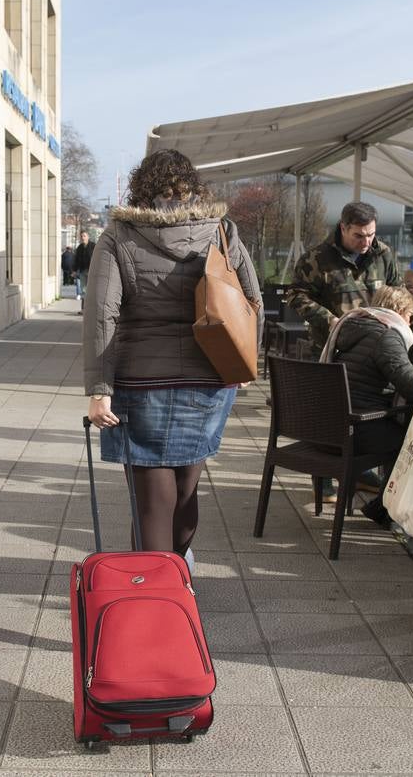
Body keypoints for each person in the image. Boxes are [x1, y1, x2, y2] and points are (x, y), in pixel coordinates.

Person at [83, 149, 261, 569]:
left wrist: (99, 391)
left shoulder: (119, 237)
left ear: (141, 191)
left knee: (151, 501)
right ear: (192, 189)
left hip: (141, 382)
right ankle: (178, 574)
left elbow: (101, 316)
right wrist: (245, 361)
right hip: (208, 378)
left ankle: (153, 592)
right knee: (185, 490)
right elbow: (251, 300)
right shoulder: (221, 231)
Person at [321, 285, 413, 514]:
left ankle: (382, 499)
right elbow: (412, 387)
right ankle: (385, 508)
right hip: (355, 430)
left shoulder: (351, 326)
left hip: (327, 427)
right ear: (400, 310)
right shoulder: (386, 334)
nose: (411, 321)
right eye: (411, 315)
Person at [289, 201, 413, 346]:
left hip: (378, 346)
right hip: (333, 348)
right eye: (358, 236)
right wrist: (331, 321)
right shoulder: (316, 259)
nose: (366, 242)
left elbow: (403, 298)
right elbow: (296, 296)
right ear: (343, 228)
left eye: (371, 235)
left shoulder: (382, 254)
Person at [72, 230, 94, 308]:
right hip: (82, 271)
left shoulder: (93, 246)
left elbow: (97, 259)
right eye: (81, 236)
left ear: (88, 237)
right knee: (84, 290)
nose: (83, 238)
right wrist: (74, 270)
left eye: (84, 236)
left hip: (92, 271)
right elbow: (76, 260)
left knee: (91, 290)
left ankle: (91, 309)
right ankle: (84, 309)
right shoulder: (80, 248)